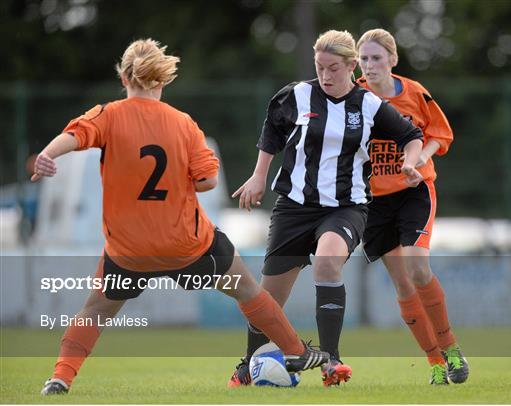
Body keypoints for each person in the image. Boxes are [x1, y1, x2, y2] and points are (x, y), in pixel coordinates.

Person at [33, 38, 330, 396]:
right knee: (248, 290)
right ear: (162, 80)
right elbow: (207, 180)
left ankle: (61, 377)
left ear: (124, 76)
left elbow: (74, 136)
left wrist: (46, 156)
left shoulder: (107, 115)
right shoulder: (183, 124)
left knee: (95, 310)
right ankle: (296, 352)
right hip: (187, 245)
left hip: (129, 251)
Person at [228, 30, 424, 387]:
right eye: (320, 68)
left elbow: (412, 137)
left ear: (352, 66)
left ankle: (331, 361)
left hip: (346, 207)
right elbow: (272, 131)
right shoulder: (298, 95)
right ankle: (247, 365)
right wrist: (258, 176)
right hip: (294, 207)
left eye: (334, 68)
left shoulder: (369, 105)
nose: (326, 76)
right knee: (269, 296)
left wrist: (411, 163)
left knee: (327, 260)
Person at [356, 28, 469, 385]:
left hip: (414, 191)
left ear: (392, 60)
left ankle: (451, 348)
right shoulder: (353, 95)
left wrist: (418, 160)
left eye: (376, 58)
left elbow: (440, 135)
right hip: (374, 201)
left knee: (418, 268)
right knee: (403, 286)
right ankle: (435, 362)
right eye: (363, 59)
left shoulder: (415, 93)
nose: (369, 65)